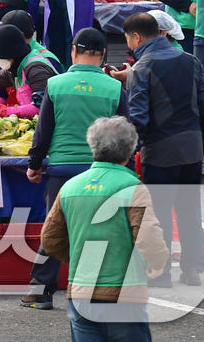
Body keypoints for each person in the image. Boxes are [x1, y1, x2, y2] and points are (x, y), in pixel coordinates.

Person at [103, 13, 204, 288]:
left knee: (158, 214)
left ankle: (160, 272)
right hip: (191, 149)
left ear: (136, 37)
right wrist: (199, 135)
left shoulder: (142, 68)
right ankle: (192, 270)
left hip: (160, 151)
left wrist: (129, 149)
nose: (129, 45)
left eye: (128, 39)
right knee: (189, 211)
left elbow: (138, 118)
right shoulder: (191, 60)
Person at [17, 27, 125, 310]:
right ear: (103, 56)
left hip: (63, 170)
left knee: (55, 229)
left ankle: (40, 291)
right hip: (102, 171)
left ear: (73, 51)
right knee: (102, 229)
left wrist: (34, 164)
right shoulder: (115, 88)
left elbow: (44, 130)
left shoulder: (55, 84)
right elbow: (125, 134)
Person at [41, 117, 168, 340]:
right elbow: (148, 236)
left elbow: (50, 239)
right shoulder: (132, 187)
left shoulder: (70, 187)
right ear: (130, 151)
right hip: (125, 296)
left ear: (92, 147)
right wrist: (157, 263)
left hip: (81, 293)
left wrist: (76, 258)